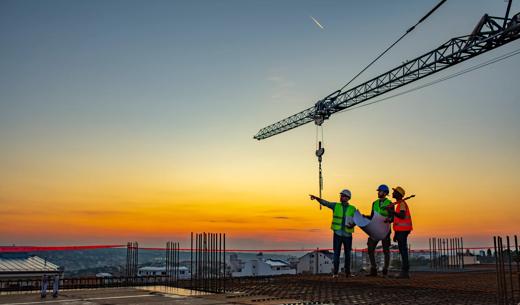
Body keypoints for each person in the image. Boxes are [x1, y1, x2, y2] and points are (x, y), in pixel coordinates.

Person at [310, 189, 357, 277]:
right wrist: (317, 198)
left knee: (348, 254)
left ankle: (348, 273)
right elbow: (326, 203)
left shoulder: (353, 209)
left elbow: (357, 220)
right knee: (336, 254)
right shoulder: (336, 206)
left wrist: (353, 225)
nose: (341, 197)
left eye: (343, 196)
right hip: (338, 234)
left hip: (347, 234)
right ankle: (335, 273)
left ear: (347, 198)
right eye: (341, 195)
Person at [366, 184, 393, 277]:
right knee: (370, 248)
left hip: (385, 230)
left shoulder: (390, 203)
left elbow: (392, 216)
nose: (378, 192)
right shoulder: (375, 203)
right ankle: (373, 269)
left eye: (380, 191)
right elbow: (372, 216)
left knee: (386, 250)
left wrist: (389, 219)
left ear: (385, 193)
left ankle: (385, 270)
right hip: (375, 229)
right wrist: (365, 217)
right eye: (378, 191)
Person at [392, 186, 413, 279]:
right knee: (402, 250)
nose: (393, 193)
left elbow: (402, 216)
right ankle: (404, 271)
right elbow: (397, 221)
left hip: (403, 230)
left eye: (394, 192)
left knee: (403, 250)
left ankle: (405, 271)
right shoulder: (399, 204)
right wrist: (396, 234)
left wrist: (391, 212)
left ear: (398, 194)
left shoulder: (402, 204)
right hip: (400, 231)